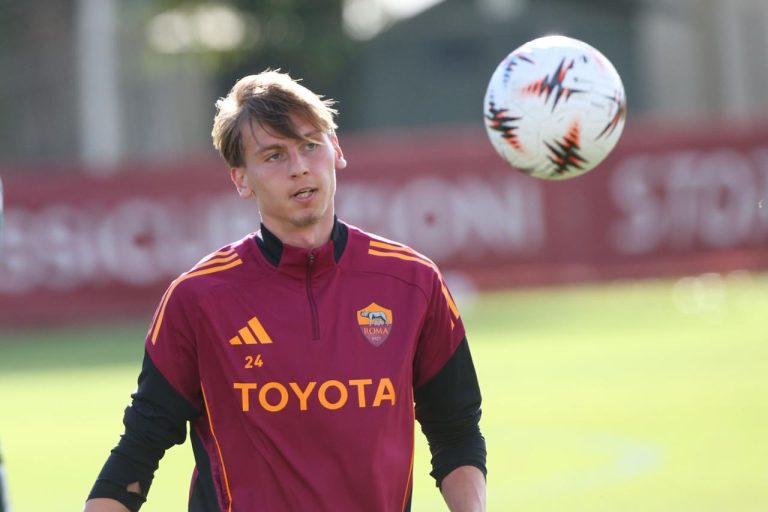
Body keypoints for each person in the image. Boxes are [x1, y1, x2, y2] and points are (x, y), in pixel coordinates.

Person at [84, 70, 486, 512]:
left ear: (336, 150)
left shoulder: (414, 282)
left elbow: (456, 431)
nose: (299, 167)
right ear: (241, 179)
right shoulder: (198, 298)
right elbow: (139, 449)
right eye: (274, 155)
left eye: (310, 145)